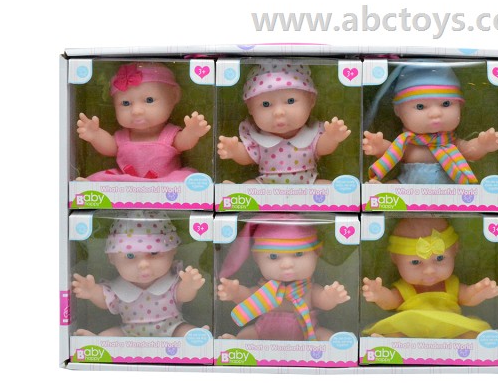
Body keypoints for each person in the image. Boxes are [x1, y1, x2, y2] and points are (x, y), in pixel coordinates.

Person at [363, 63, 498, 184]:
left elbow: (469, 151)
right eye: (420, 106)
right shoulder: (406, 143)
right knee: (392, 187)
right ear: (398, 110)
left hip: (446, 192)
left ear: (460, 106)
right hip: (406, 185)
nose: (435, 113)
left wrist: (482, 145)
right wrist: (379, 147)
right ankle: (379, 191)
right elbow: (392, 153)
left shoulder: (451, 143)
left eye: (446, 104)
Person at [362, 217, 498, 338]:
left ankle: (479, 347)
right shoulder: (405, 288)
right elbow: (390, 301)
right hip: (411, 328)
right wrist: (378, 294)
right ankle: (386, 345)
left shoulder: (451, 285)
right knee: (395, 333)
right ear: (394, 258)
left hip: (450, 327)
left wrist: (479, 292)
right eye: (415, 262)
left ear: (455, 250)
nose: (429, 270)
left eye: (439, 258)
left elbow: (467, 298)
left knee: (471, 333)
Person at [72, 211, 206, 337]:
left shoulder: (171, 281)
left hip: (173, 327)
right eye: (130, 256)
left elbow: (183, 295)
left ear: (173, 250)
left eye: (154, 253)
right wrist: (92, 291)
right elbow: (105, 300)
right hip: (128, 331)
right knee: (111, 335)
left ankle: (198, 338)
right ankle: (96, 342)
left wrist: (190, 285)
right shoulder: (119, 289)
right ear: (112, 258)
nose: (143, 264)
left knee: (185, 331)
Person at [217, 214, 350, 341]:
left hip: (307, 334)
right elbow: (247, 298)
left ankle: (334, 349)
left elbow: (322, 301)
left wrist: (331, 297)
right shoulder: (265, 290)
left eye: (298, 254)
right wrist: (235, 293)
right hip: (263, 332)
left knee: (326, 336)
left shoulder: (308, 289)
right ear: (256, 259)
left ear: (316, 254)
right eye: (273, 256)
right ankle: (236, 344)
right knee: (247, 334)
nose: (287, 264)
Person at [217, 61, 350, 184]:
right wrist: (235, 150)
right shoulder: (258, 139)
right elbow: (248, 157)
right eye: (266, 104)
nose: (278, 112)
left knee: (327, 186)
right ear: (250, 108)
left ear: (311, 101)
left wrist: (331, 137)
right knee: (250, 185)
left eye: (290, 101)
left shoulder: (311, 134)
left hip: (308, 185)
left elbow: (322, 148)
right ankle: (235, 192)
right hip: (266, 187)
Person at [77, 62, 211, 181]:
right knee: (102, 177)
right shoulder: (123, 137)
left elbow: (182, 143)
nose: (136, 111)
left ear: (174, 96)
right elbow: (110, 148)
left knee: (187, 178)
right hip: (127, 181)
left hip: (166, 182)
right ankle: (87, 188)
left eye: (149, 100)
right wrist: (95, 135)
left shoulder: (168, 134)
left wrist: (192, 132)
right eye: (126, 103)